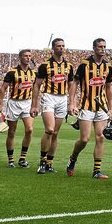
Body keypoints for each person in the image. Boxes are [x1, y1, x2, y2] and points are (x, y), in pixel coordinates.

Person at [66, 38, 112, 179]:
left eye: (104, 46)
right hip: (86, 106)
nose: (102, 49)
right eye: (100, 46)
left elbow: (109, 88)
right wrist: (72, 103)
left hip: (102, 107)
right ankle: (73, 158)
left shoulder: (108, 66)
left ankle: (97, 170)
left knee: (100, 137)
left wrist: (111, 108)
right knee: (85, 139)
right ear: (94, 48)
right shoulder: (84, 65)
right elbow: (74, 83)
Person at [31, 38, 73, 174]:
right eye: (58, 46)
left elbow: (71, 84)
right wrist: (34, 105)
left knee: (55, 133)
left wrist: (71, 102)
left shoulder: (69, 66)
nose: (61, 48)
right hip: (49, 97)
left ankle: (49, 163)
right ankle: (42, 161)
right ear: (53, 48)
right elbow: (36, 85)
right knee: (49, 129)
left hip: (62, 98)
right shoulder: (45, 65)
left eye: (63, 46)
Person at [0, 49, 37, 168]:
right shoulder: (12, 72)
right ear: (20, 57)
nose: (28, 58)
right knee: (11, 132)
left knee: (29, 130)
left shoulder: (33, 73)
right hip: (14, 103)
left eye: (29, 56)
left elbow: (35, 89)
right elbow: (3, 88)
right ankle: (10, 159)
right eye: (25, 56)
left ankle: (23, 158)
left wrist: (35, 104)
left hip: (27, 103)